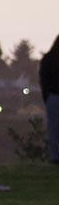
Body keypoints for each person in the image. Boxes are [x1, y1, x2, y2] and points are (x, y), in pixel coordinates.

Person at [42, 35, 59, 164]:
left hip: (52, 97)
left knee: (53, 128)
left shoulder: (48, 59)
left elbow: (43, 80)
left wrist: (47, 97)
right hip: (53, 96)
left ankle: (54, 156)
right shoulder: (48, 59)